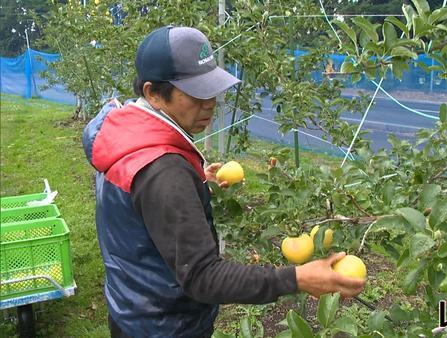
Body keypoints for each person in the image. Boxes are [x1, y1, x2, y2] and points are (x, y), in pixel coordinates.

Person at [82, 26, 365, 338]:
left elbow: (141, 202)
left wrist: (191, 183)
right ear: (153, 93)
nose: (210, 104)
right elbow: (202, 276)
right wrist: (296, 278)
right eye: (194, 93)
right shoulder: (164, 172)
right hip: (166, 326)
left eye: (211, 90)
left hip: (132, 306)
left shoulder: (124, 134)